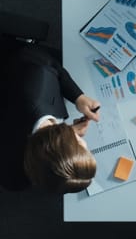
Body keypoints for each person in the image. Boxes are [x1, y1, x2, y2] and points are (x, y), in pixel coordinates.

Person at [1, 43, 100, 193]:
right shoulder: (15, 181)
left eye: (81, 143)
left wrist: (78, 97)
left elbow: (48, 62)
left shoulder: (38, 81)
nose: (84, 140)